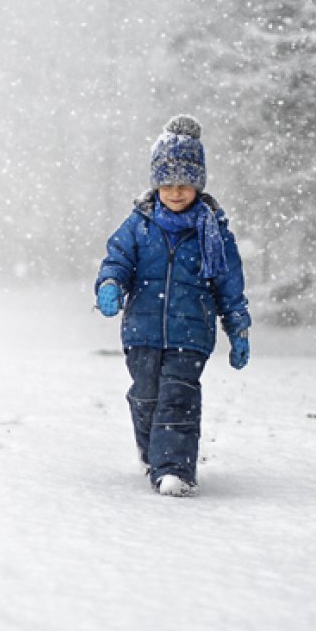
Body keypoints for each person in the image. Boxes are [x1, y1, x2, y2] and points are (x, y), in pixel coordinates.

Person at [94, 115, 250, 497]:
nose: (176, 192)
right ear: (156, 184)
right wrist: (110, 283)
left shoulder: (213, 232)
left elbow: (229, 284)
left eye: (185, 184)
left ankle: (174, 469)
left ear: (198, 185)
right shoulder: (138, 224)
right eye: (168, 184)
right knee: (146, 394)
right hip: (142, 331)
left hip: (192, 332)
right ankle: (151, 452)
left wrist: (238, 326)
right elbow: (117, 258)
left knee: (178, 398)